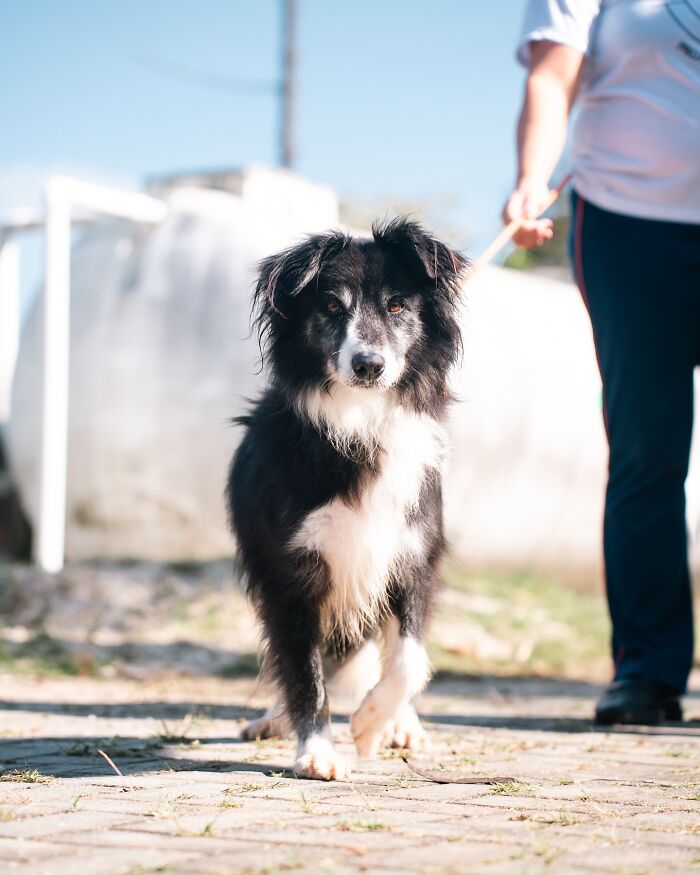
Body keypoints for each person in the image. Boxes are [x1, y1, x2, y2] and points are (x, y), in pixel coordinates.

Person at [505, 0, 700, 724]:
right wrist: (530, 177)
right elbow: (552, 81)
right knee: (648, 451)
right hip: (629, 227)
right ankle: (647, 672)